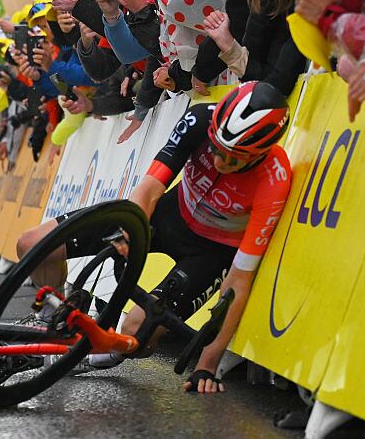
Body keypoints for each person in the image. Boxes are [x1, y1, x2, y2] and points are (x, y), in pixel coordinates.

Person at [16, 81, 292, 393]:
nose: (219, 162)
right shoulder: (200, 119)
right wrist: (127, 232)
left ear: (260, 153)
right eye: (215, 147)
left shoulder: (274, 179)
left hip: (210, 252)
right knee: (32, 244)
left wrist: (207, 365)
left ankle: (92, 355)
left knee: (136, 331)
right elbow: (149, 188)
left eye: (233, 159)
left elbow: (239, 282)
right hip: (168, 214)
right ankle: (59, 321)